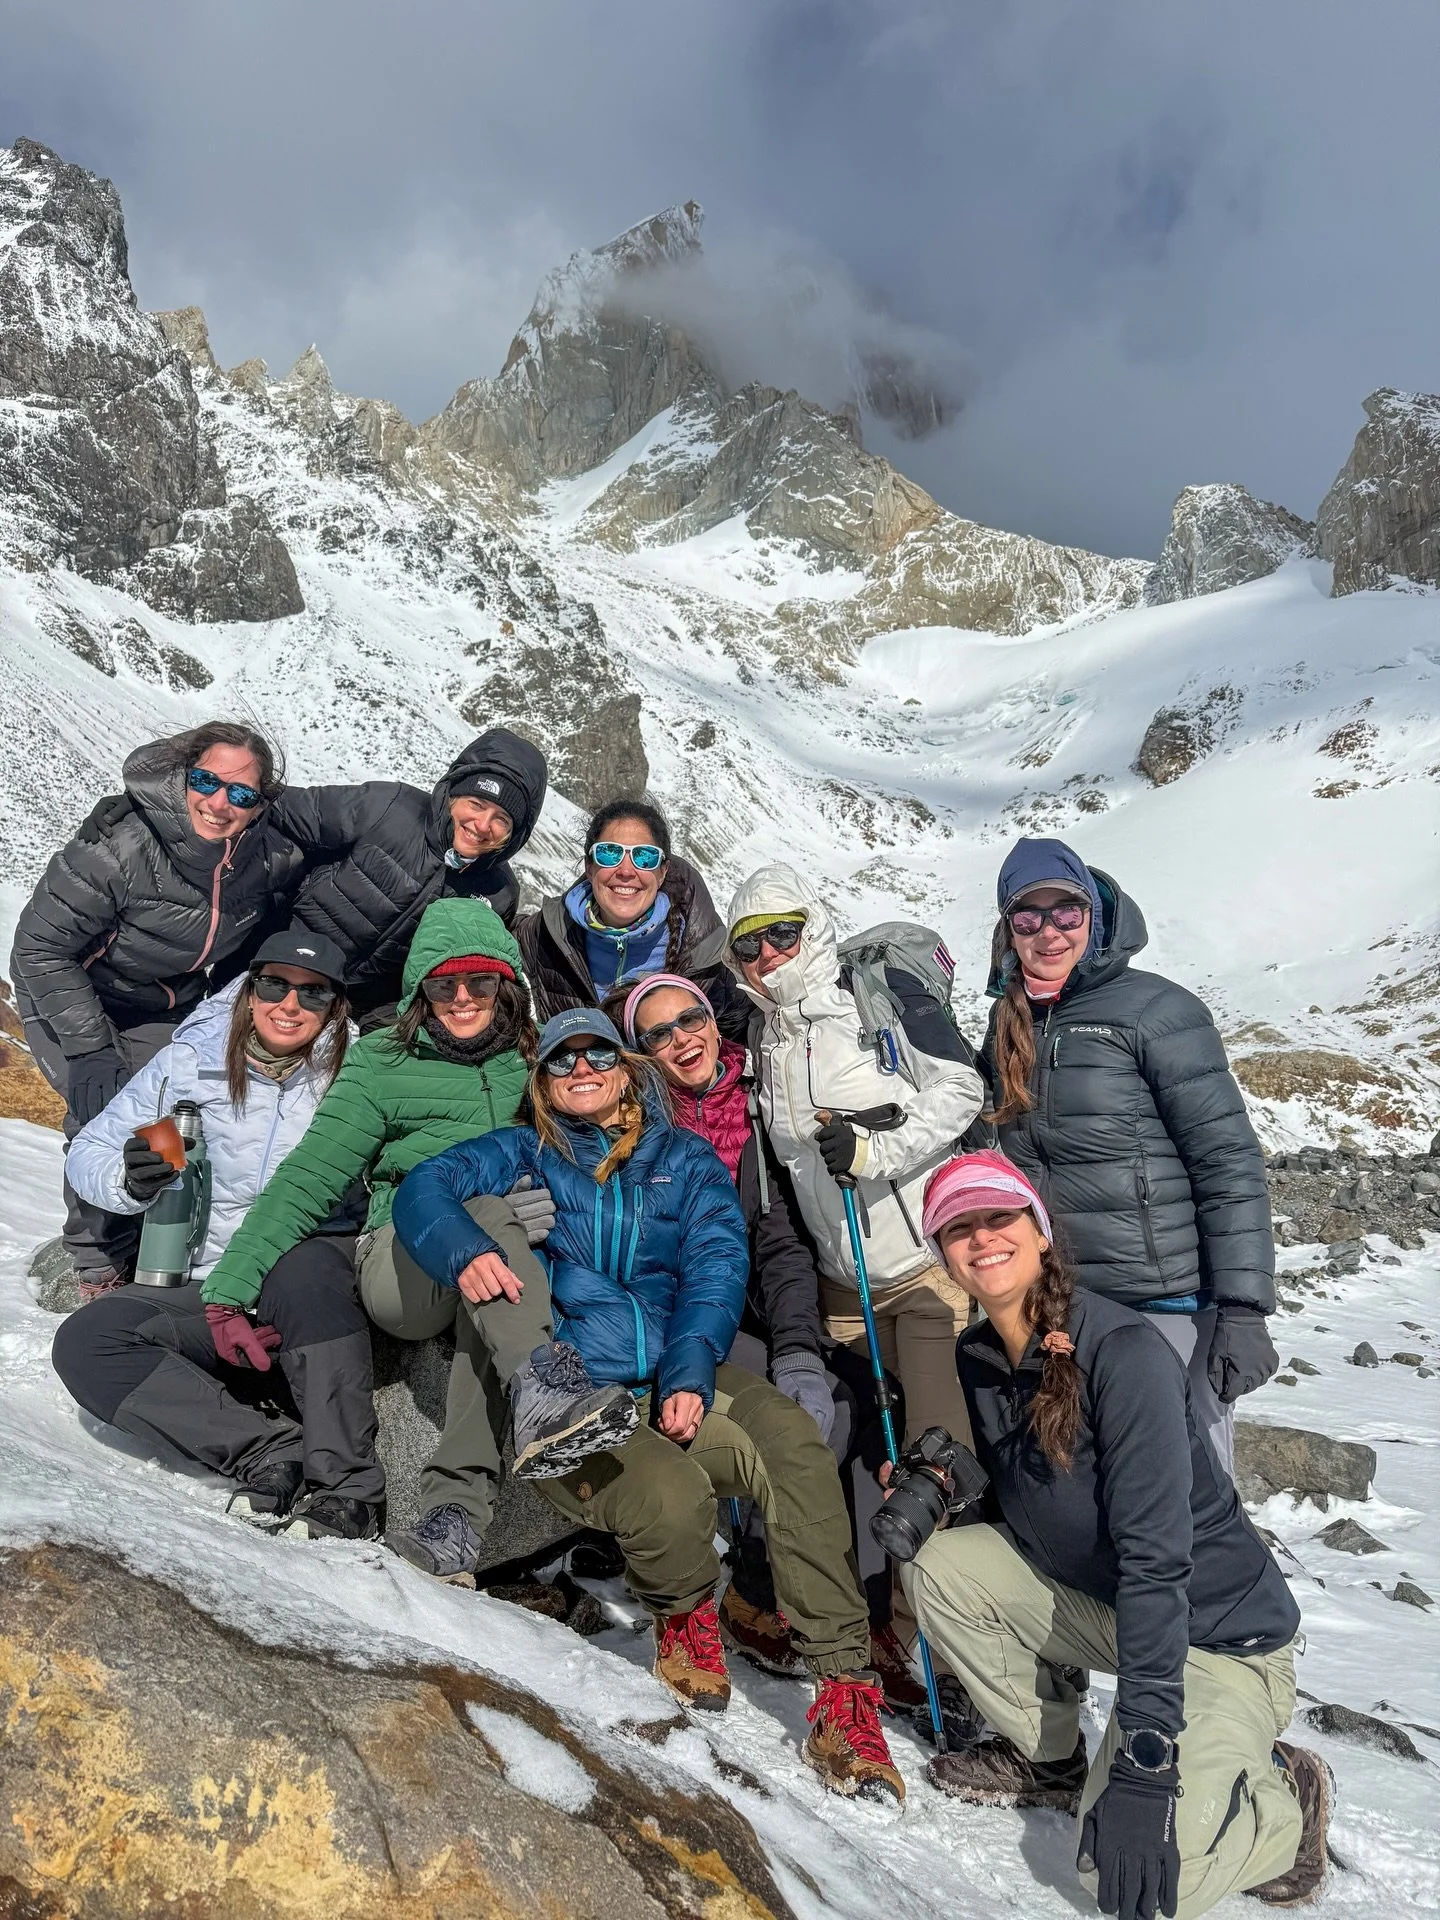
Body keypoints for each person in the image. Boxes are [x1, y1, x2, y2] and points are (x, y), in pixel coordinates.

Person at [392, 1008, 906, 1802]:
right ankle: (683, 1614)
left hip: (674, 1363)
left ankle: (844, 1689)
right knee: (668, 1495)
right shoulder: (523, 1151)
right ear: (544, 1083)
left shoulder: (686, 1158)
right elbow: (425, 1187)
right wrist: (469, 1254)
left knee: (794, 1446)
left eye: (599, 1051)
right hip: (574, 1393)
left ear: (629, 1067)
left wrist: (694, 1366)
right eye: (563, 1061)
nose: (582, 1068)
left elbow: (716, 1260)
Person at [898, 1150, 1330, 1919]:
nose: (981, 1239)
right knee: (940, 1568)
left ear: (1039, 1233)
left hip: (1219, 1640)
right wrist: (963, 1483)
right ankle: (1053, 1761)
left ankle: (1286, 1799)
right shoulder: (979, 1355)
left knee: (1136, 1880)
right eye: (958, 1228)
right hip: (1115, 1615)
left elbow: (1159, 1561)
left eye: (998, 1218)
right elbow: (1046, 1496)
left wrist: (1146, 1760)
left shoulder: (1122, 1352)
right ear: (941, 1253)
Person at [195, 898, 590, 1582]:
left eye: (479, 982)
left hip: (504, 1265)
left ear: (508, 985)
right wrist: (230, 1291)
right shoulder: (382, 1062)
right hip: (400, 1266)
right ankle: (542, 1382)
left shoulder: (540, 1056)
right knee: (490, 1220)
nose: (461, 998)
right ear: (419, 991)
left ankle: (453, 1521)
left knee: (498, 1285)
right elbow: (310, 1178)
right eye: (443, 985)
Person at [618, 971, 922, 1707]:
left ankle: (858, 1610)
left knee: (845, 1402)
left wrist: (796, 1351)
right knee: (788, 1424)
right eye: (656, 1033)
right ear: (637, 1053)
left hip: (746, 1315)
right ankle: (756, 1596)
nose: (681, 1039)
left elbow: (781, 1244)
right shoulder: (631, 1128)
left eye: (689, 1018)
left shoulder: (752, 1115)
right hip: (666, 1325)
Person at [50, 931, 385, 1539]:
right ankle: (266, 1450)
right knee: (87, 1343)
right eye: (275, 984)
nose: (290, 1004)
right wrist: (130, 1181)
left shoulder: (358, 1073)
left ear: (336, 1007)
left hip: (303, 1287)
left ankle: (347, 1489)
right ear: (250, 990)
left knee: (306, 1267)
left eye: (313, 994)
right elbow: (90, 1150)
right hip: (204, 1288)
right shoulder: (191, 1064)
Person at [979, 838, 1277, 1474]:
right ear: (1009, 928)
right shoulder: (1008, 1023)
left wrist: (1244, 1307)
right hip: (1064, 1305)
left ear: (1097, 914)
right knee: (1098, 1492)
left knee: (1194, 1495)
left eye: (1068, 912)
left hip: (1164, 1306)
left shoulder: (1157, 1011)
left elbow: (1227, 1163)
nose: (1050, 932)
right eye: (1028, 916)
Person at [12, 723, 308, 1297]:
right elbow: (39, 946)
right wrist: (92, 1048)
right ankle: (94, 1259)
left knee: (177, 1112)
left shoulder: (265, 856)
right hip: (71, 988)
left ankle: (157, 1235)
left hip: (164, 999)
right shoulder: (121, 846)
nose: (220, 804)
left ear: (260, 803)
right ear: (184, 775)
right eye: (207, 781)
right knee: (105, 1107)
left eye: (242, 794)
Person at [725, 864, 985, 1450]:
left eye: (782, 934)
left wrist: (873, 1151)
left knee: (938, 1457)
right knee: (862, 1463)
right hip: (839, 1296)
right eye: (748, 943)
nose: (768, 953)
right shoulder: (762, 1037)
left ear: (810, 928)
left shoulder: (868, 996)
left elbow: (963, 1089)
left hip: (923, 1276)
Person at [76, 727, 550, 1026]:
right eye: (476, 804)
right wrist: (154, 812)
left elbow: (437, 972)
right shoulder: (387, 808)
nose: (482, 825)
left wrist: (382, 1023)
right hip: (262, 973)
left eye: (502, 820)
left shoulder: (497, 893)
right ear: (450, 795)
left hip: (347, 1015)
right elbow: (275, 808)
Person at [516, 798, 737, 1028]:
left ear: (663, 872)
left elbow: (755, 1024)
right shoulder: (543, 936)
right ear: (590, 868)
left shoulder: (707, 957)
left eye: (644, 857)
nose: (626, 871)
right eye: (609, 854)